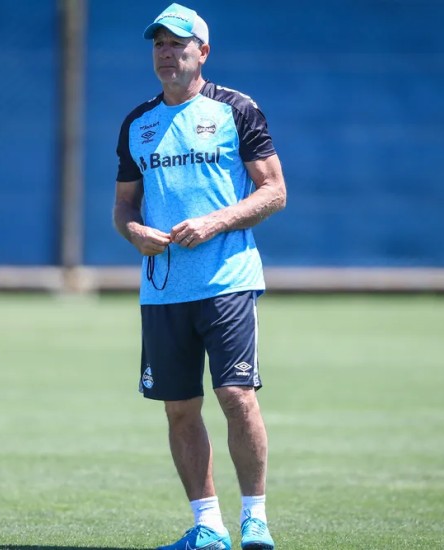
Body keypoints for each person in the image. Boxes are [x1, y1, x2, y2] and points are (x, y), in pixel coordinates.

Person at [112, 3, 287, 550]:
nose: (166, 53)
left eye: (177, 44)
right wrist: (134, 232)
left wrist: (214, 222)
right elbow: (123, 207)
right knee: (180, 408)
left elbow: (274, 191)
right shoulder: (138, 123)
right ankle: (208, 526)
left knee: (236, 395)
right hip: (163, 288)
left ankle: (255, 520)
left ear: (202, 52)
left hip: (227, 279)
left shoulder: (236, 109)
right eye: (159, 44)